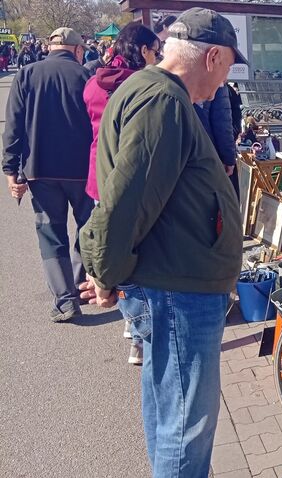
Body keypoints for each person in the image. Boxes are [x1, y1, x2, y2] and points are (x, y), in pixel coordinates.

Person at [78, 8, 246, 476]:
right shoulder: (163, 102)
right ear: (212, 56)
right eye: (229, 66)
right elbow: (126, 201)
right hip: (178, 291)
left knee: (170, 414)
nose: (225, 81)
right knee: (185, 426)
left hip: (174, 284)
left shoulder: (155, 92)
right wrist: (105, 273)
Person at [82, 22, 160, 365]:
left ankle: (130, 324)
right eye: (155, 49)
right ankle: (140, 335)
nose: (157, 55)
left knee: (115, 247)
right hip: (129, 179)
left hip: (98, 177)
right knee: (138, 253)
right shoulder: (143, 88)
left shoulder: (92, 85)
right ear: (142, 50)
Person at [2, 28, 93, 322]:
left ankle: (65, 299)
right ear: (77, 50)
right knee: (86, 227)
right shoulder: (84, 76)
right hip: (82, 170)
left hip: (40, 169)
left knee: (50, 232)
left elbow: (13, 126)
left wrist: (10, 170)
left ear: (51, 47)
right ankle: (80, 284)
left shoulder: (27, 74)